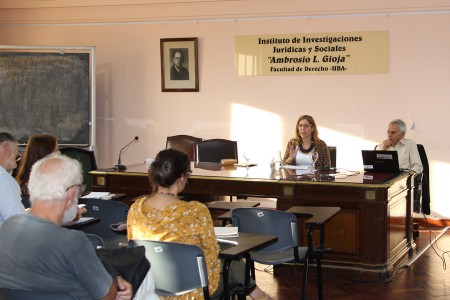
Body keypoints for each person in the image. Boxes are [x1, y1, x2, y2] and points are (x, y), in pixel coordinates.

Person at [127, 149, 270, 300]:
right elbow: (211, 252)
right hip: (190, 290)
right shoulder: (195, 211)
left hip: (151, 286)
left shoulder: (136, 208)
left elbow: (134, 249)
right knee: (235, 265)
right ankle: (262, 297)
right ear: (182, 177)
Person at [0, 154, 133, 300]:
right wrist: (114, 281)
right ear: (70, 194)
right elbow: (108, 296)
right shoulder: (71, 241)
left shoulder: (7, 227)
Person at [0, 132, 25, 225]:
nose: (17, 158)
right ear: (7, 148)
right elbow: (19, 221)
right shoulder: (3, 179)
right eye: (16, 152)